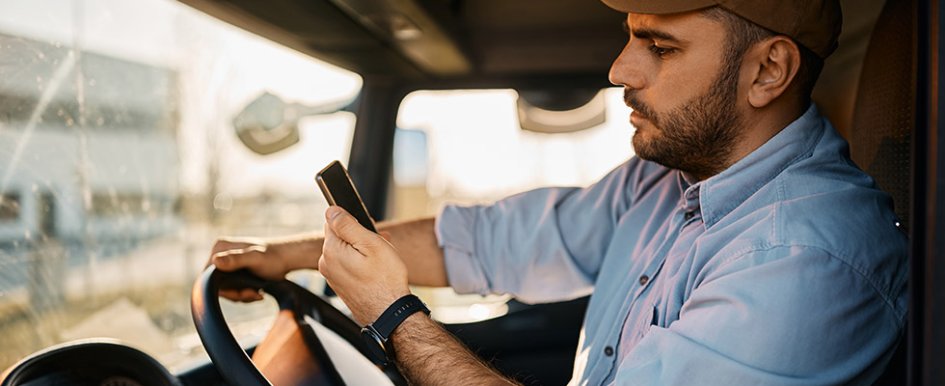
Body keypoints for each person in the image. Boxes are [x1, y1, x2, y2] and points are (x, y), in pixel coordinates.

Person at [209, 0, 908, 384]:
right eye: (629, 37)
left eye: (659, 47)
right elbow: (489, 243)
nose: (618, 68)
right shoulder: (668, 180)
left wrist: (393, 317)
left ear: (768, 72)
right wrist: (292, 254)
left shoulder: (805, 260)